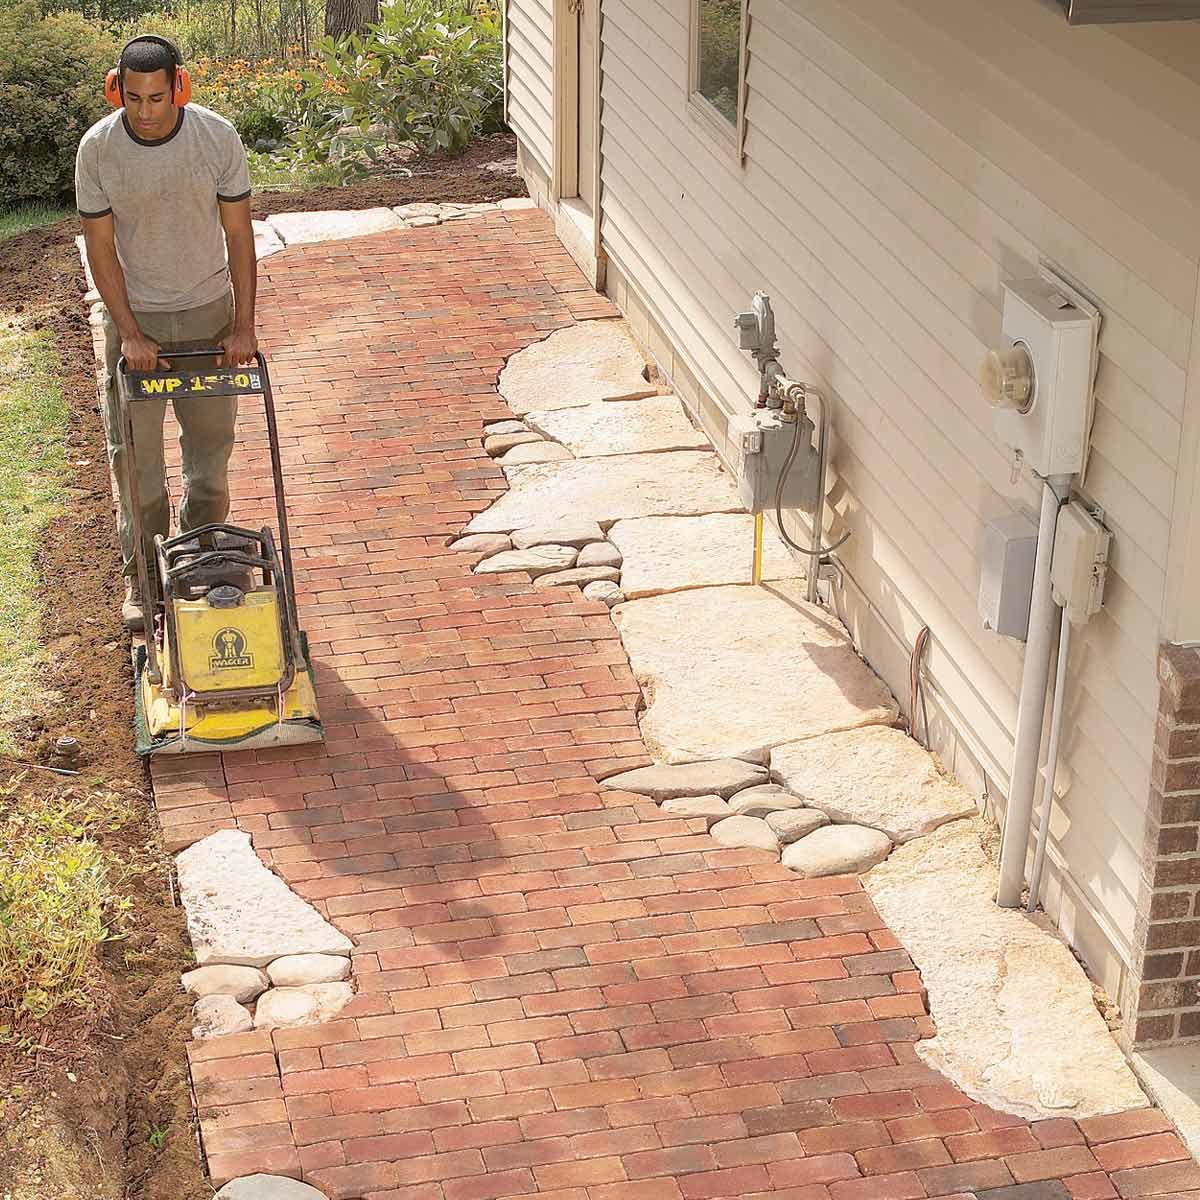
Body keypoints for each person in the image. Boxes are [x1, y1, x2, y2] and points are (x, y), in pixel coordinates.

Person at [75, 34, 258, 630]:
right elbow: (100, 247)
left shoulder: (216, 138)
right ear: (116, 90)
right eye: (133, 99)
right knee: (137, 464)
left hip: (209, 314)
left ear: (179, 86)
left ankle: (202, 558)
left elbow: (238, 237)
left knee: (209, 460)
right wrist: (128, 331)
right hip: (138, 321)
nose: (146, 113)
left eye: (157, 97)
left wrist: (243, 327)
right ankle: (145, 580)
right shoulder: (98, 151)